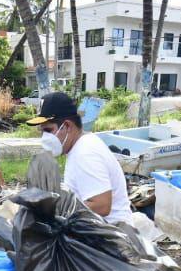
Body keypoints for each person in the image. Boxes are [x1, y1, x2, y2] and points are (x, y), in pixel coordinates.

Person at [27, 92, 131, 224]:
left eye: (48, 130)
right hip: (98, 229)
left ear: (67, 126)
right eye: (42, 132)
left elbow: (102, 205)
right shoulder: (80, 147)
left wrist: (60, 212)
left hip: (110, 233)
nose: (44, 138)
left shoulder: (85, 153)